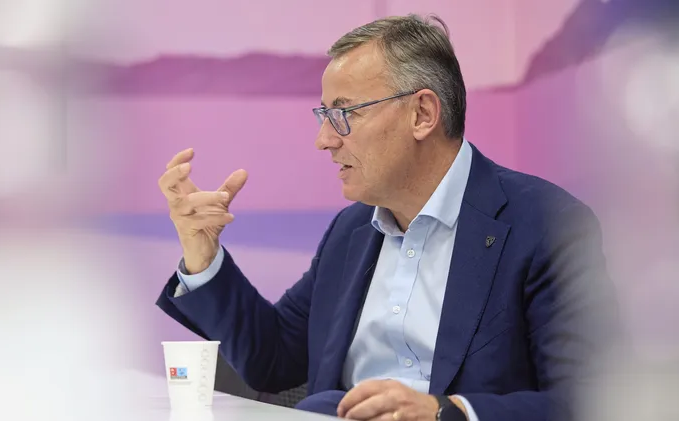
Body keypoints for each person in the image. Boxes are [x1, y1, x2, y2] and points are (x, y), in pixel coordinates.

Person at [156, 14, 617, 421]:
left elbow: (593, 402)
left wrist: (447, 412)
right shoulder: (350, 231)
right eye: (324, 115)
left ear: (422, 114)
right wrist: (203, 252)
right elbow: (272, 360)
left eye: (343, 113)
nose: (323, 140)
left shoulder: (546, 224)